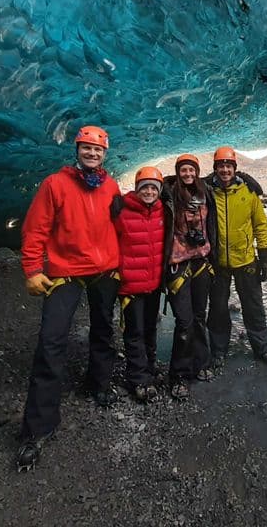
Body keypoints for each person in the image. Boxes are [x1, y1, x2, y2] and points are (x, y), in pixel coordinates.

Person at [17, 125, 121, 472]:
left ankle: (99, 385)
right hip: (65, 272)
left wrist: (121, 264)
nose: (92, 154)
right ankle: (38, 427)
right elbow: (35, 229)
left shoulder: (110, 185)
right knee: (50, 342)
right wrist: (33, 269)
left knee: (104, 331)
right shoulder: (55, 184)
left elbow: (120, 227)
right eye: (87, 148)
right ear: (77, 150)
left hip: (104, 270)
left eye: (98, 150)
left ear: (104, 154)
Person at [206, 146, 267, 366]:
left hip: (246, 259)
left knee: (254, 307)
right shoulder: (208, 191)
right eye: (221, 166)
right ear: (215, 169)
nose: (225, 170)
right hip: (217, 261)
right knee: (218, 309)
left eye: (228, 166)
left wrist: (264, 255)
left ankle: (262, 348)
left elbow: (260, 224)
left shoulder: (249, 191)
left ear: (234, 168)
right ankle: (219, 350)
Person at [162, 154, 216, 399]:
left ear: (197, 172)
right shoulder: (171, 193)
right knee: (184, 322)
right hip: (179, 265)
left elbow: (212, 223)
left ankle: (201, 364)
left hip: (202, 262)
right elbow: (151, 194)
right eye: (183, 170)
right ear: (178, 171)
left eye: (191, 170)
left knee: (198, 316)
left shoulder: (205, 193)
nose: (188, 174)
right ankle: (178, 376)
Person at [112, 166, 167, 403]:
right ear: (137, 189)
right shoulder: (121, 211)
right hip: (130, 286)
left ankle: (150, 367)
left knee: (150, 328)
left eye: (154, 188)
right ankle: (138, 379)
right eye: (145, 187)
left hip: (153, 284)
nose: (149, 192)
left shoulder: (162, 211)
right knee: (134, 333)